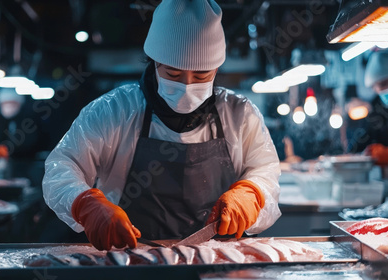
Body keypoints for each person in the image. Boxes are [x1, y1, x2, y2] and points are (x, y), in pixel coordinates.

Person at [42, 0, 281, 251]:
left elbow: (266, 173)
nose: (187, 86)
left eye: (201, 76)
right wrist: (85, 204)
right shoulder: (113, 111)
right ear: (153, 62)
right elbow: (62, 168)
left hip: (219, 261)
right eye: (173, 74)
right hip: (131, 259)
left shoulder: (240, 115)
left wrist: (252, 193)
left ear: (217, 68)